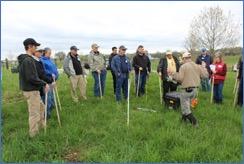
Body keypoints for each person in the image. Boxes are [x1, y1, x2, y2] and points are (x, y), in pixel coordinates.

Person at [17, 38, 49, 137]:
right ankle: (34, 135)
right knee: (34, 113)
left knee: (41, 108)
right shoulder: (27, 60)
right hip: (31, 90)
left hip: (33, 89)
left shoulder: (29, 59)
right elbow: (31, 78)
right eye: (35, 46)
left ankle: (42, 127)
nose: (36, 48)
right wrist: (44, 83)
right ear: (30, 46)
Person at [169, 52, 208, 126]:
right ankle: (183, 121)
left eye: (182, 59)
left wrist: (173, 74)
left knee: (186, 109)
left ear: (184, 58)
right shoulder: (197, 66)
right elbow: (205, 76)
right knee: (186, 106)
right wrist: (204, 67)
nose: (182, 60)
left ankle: (195, 123)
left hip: (186, 90)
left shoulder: (183, 67)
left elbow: (180, 79)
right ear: (190, 58)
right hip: (195, 91)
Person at [41, 47, 59, 117]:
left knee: (51, 95)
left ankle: (51, 107)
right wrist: (50, 73)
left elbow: (54, 68)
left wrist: (56, 73)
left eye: (51, 53)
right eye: (49, 53)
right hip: (47, 80)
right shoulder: (42, 60)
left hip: (53, 80)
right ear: (45, 53)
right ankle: (46, 114)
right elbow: (43, 70)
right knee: (47, 97)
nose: (50, 54)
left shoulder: (50, 60)